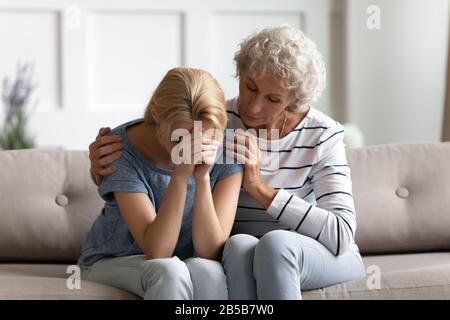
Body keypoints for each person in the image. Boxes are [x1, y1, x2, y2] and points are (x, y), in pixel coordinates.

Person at [89, 25, 366, 300]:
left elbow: (340, 234)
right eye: (250, 87)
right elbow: (159, 132)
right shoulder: (220, 121)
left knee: (275, 245)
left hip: (312, 251)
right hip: (246, 249)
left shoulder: (322, 135)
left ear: (295, 100)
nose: (253, 107)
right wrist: (100, 165)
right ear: (241, 74)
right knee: (239, 245)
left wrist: (259, 188)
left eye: (272, 99)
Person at [78, 67, 243, 300]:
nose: (194, 145)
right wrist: (180, 176)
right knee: (169, 271)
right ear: (156, 114)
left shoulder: (227, 150)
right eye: (180, 137)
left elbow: (209, 252)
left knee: (210, 272)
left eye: (207, 136)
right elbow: (158, 251)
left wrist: (203, 178)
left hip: (184, 262)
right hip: (113, 260)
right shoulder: (118, 149)